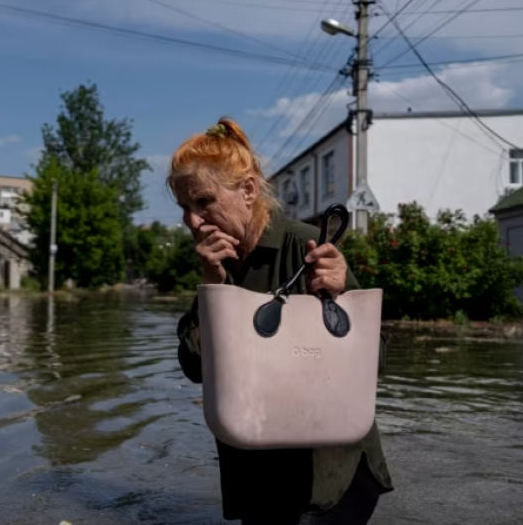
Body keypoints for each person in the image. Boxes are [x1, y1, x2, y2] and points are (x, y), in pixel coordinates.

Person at [168, 117, 394, 524]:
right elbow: (195, 370)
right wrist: (211, 290)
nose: (192, 221)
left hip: (328, 477)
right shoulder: (220, 264)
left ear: (249, 191)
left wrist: (338, 295)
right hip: (258, 475)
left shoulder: (308, 246)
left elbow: (375, 362)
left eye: (203, 202)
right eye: (185, 208)